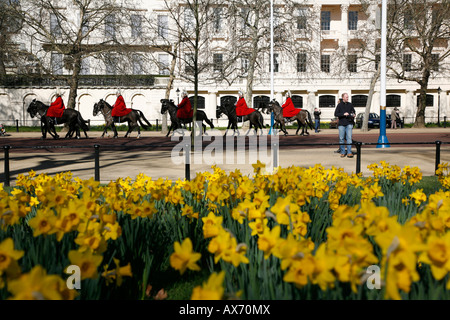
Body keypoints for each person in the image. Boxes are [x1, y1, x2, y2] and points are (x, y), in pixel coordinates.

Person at [334, 93, 356, 158]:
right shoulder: (339, 105)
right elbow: (336, 114)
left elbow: (353, 112)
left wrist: (353, 114)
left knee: (349, 138)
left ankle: (349, 152)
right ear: (343, 98)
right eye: (346, 97)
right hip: (341, 124)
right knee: (341, 138)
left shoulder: (350, 104)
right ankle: (343, 152)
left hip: (349, 123)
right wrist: (343, 114)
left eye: (348, 97)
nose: (347, 98)